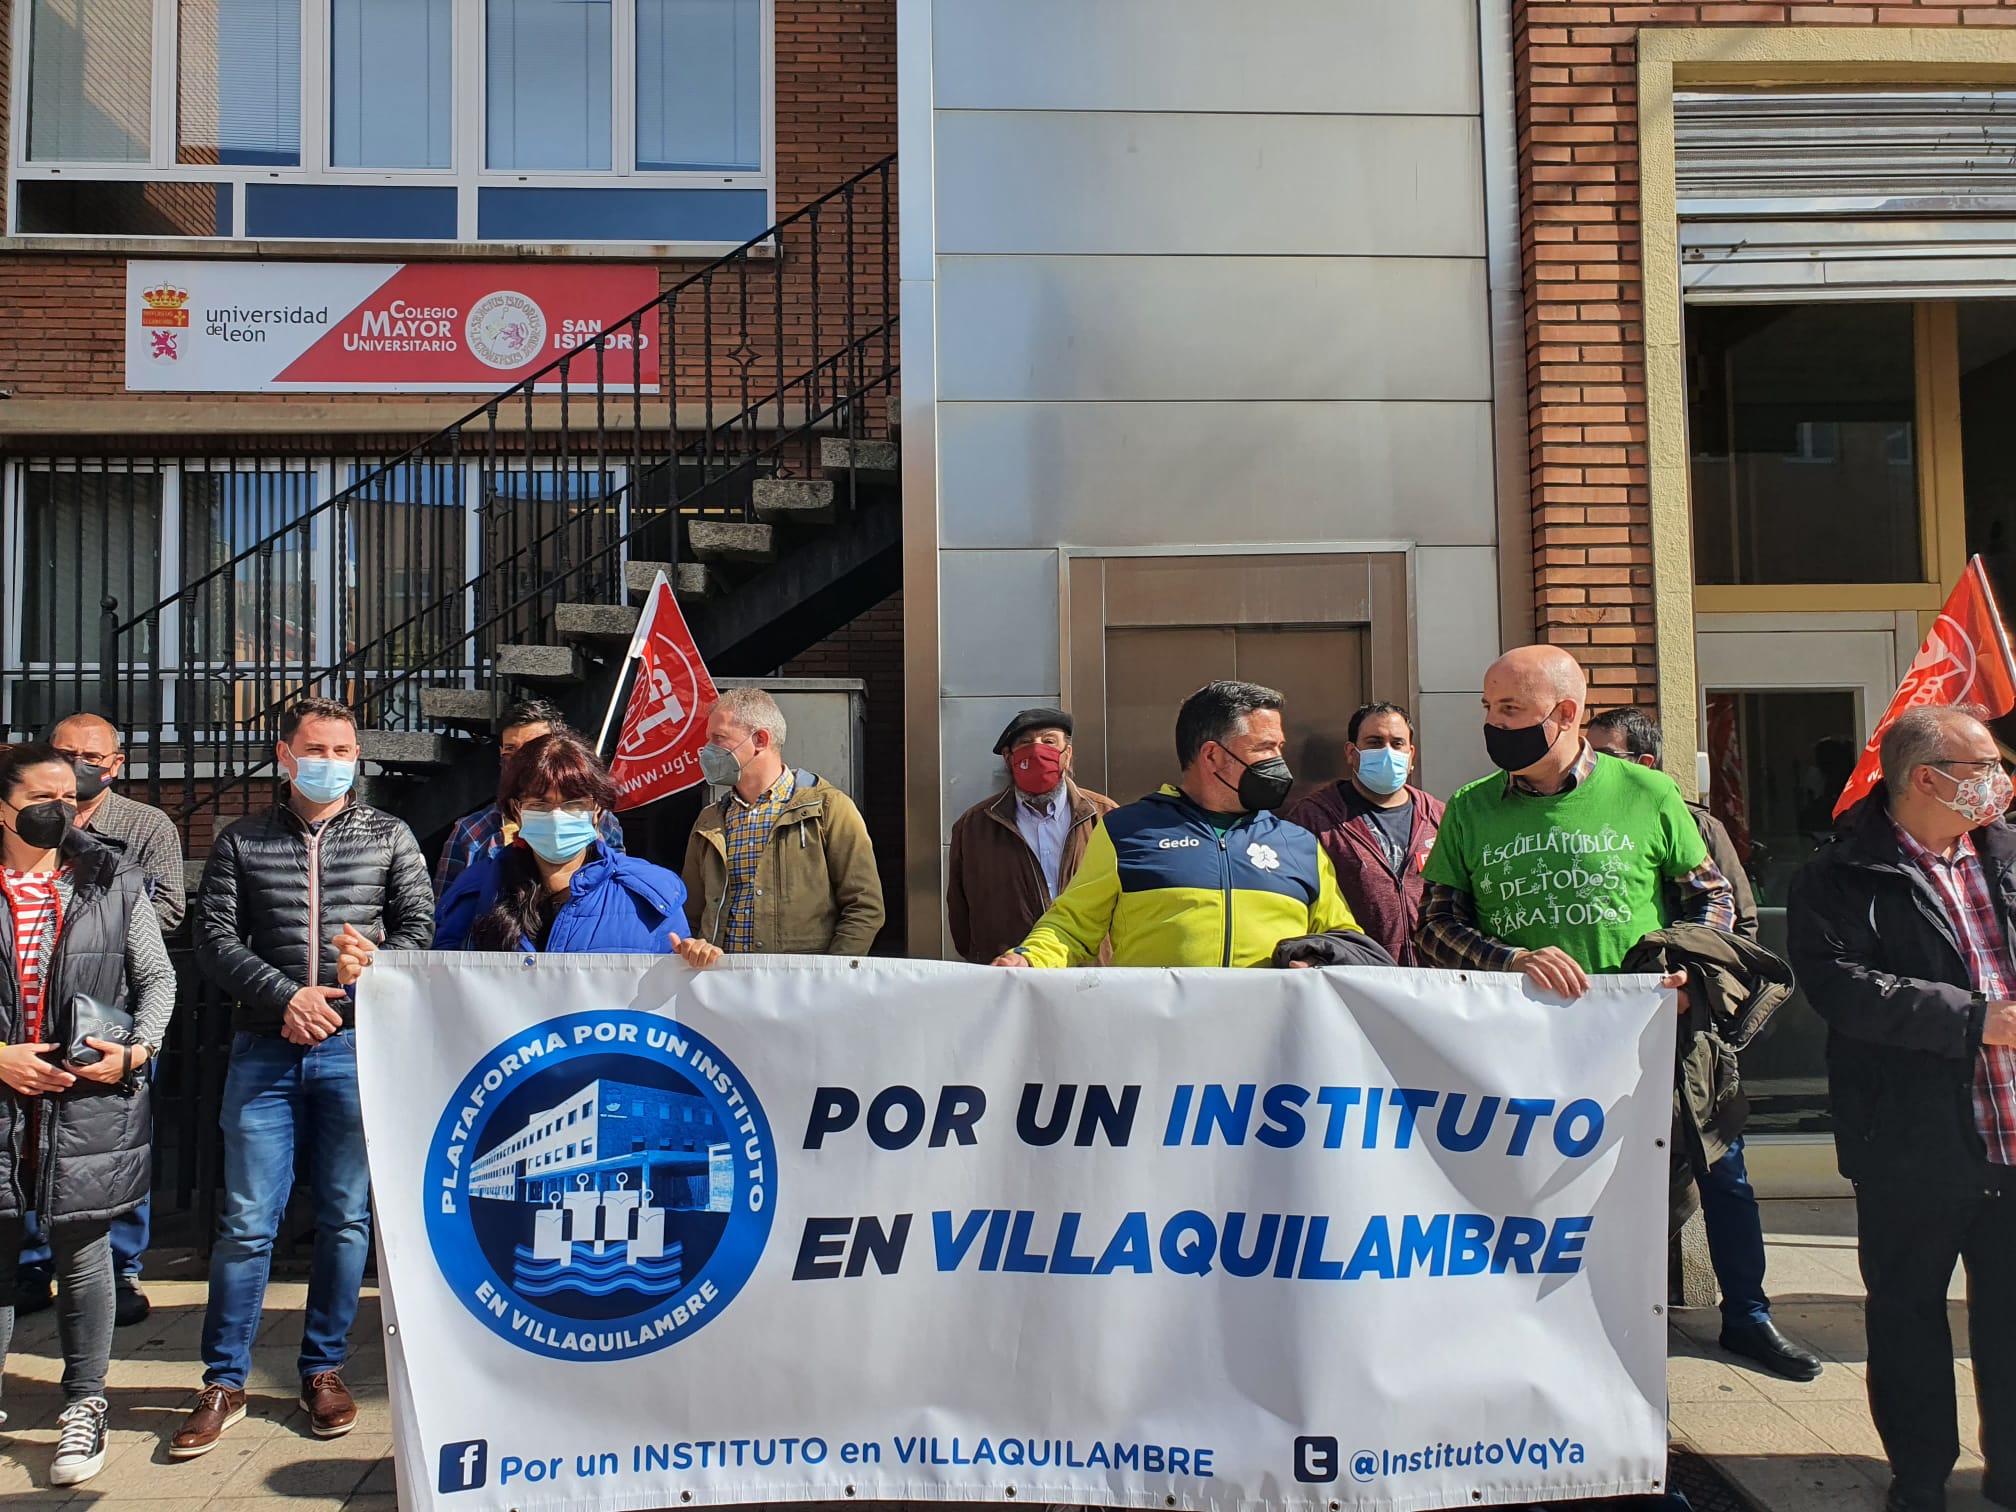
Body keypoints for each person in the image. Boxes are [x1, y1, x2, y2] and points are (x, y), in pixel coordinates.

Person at [173, 697, 434, 1460]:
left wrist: (369, 969)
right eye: (316, 747)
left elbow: (420, 927)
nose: (332, 760)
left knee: (348, 1217)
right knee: (248, 1222)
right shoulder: (241, 839)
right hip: (265, 1048)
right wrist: (286, 997)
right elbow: (214, 940)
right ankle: (223, 1379)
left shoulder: (390, 835)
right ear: (285, 755)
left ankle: (323, 1368)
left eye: (344, 749)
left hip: (356, 1050)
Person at [1787, 705, 2016, 1512]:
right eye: (1984, 765)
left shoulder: (2006, 853)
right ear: (1927, 778)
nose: (2001, 780)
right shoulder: (1838, 876)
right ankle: (1920, 1476)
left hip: (2012, 1131)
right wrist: (1970, 1019)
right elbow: (1844, 990)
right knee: (1910, 1316)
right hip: (1912, 1141)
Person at [1586, 705, 1819, 1382]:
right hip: (1605, 1036)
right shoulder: (1581, 818)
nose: (1590, 768)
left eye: (1605, 754)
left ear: (1646, 766)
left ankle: (1747, 1315)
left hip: (1692, 1036)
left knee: (1725, 1173)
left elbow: (1737, 926)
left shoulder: (1692, 823)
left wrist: (1697, 987)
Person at [0, 743, 176, 1487]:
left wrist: (135, 1054)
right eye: (44, 797)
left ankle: (85, 1401)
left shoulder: (110, 878)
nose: (61, 811)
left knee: (83, 1257)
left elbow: (157, 978)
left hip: (87, 1106)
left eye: (71, 797)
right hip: (5, 1101)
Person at [995, 681, 1372, 970]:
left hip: (1268, 1062)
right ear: (1212, 755)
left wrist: (1324, 959)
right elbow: (1071, 926)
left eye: (1279, 748)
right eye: (1264, 748)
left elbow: (1345, 940)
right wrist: (1028, 959)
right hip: (1162, 1059)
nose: (1278, 761)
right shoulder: (1126, 831)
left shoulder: (1299, 844)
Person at [15, 712, 187, 1326]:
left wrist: (108, 918)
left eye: (92, 758)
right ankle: (32, 1259)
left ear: (116, 765)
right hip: (32, 1016)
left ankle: (121, 1267)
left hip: (111, 1002)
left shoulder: (145, 826)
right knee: (29, 1140)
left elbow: (169, 907)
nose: (78, 768)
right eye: (65, 755)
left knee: (114, 1146)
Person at [340, 731, 719, 970]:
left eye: (573, 804)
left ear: (597, 810)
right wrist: (372, 976)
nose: (557, 816)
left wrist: (699, 967)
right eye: (540, 803)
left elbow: (676, 1012)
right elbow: (432, 991)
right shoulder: (475, 891)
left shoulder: (650, 896)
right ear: (516, 810)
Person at [681, 688, 885, 955]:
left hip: (798, 988)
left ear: (760, 739)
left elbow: (864, 906)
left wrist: (831, 977)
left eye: (719, 738)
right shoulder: (709, 820)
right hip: (721, 987)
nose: (708, 751)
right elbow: (690, 913)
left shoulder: (828, 808)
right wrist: (695, 950)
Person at [946, 707, 1116, 965]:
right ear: (1008, 758)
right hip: (1008, 977)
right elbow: (961, 917)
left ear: (1066, 755)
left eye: (1049, 742)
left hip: (1089, 978)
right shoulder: (973, 827)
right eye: (1025, 743)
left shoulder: (1105, 817)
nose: (1037, 750)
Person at [1283, 701, 1443, 966]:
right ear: (1351, 752)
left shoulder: (1439, 816)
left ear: (1411, 754)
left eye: (1397, 743)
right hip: (1355, 978)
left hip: (1431, 983)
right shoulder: (1313, 818)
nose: (1387, 752)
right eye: (1375, 742)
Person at [434, 698, 625, 894]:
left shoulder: (598, 819)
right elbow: (447, 907)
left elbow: (618, 884)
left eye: (533, 748)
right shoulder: (470, 831)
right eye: (510, 750)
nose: (519, 760)